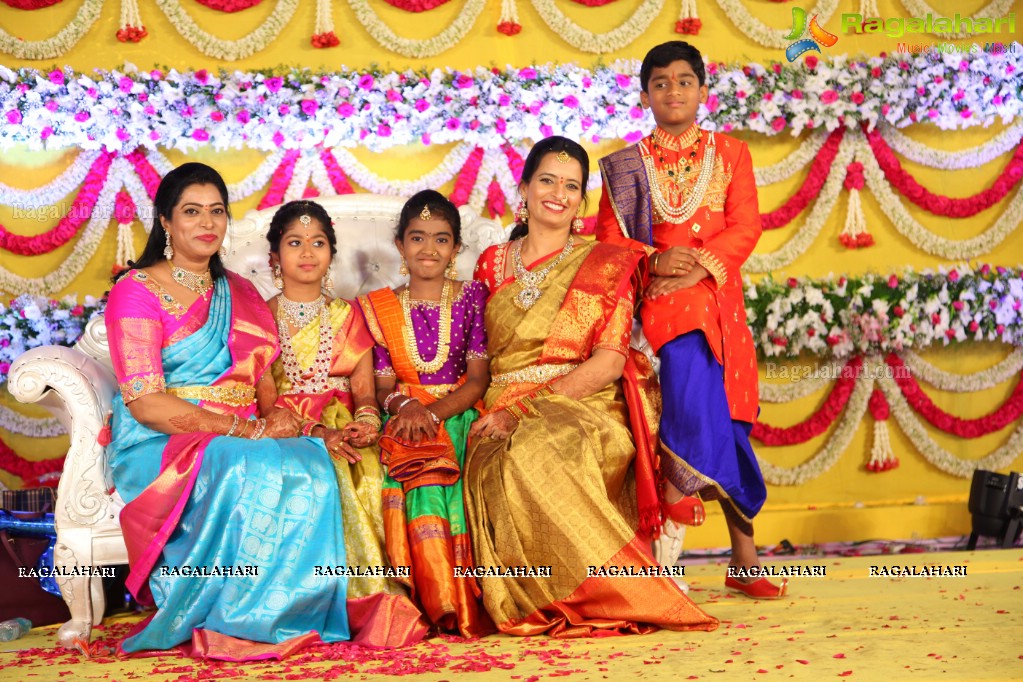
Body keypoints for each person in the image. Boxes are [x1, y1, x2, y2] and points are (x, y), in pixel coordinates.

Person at [464, 136, 718, 637]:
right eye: (547, 181)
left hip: (587, 402)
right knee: (494, 459)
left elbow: (608, 361)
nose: (558, 193)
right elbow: (477, 357)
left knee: (537, 449)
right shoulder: (491, 263)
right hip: (498, 402)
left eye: (571, 186)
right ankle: (539, 594)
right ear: (525, 188)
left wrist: (527, 409)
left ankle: (603, 593)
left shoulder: (606, 262)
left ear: (582, 202)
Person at [105, 164, 351, 658]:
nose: (207, 223)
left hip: (240, 430)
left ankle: (290, 610)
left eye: (216, 211)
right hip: (163, 437)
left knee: (308, 460)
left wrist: (293, 424)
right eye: (192, 212)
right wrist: (246, 430)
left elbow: (263, 383)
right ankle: (235, 615)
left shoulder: (238, 290)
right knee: (243, 462)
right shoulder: (137, 289)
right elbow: (147, 402)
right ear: (166, 221)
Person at [596, 41, 784, 599]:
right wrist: (654, 260)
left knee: (725, 412)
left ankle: (740, 554)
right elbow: (610, 240)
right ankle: (736, 551)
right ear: (644, 94)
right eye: (660, 82)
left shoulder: (731, 154)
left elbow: (745, 226)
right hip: (653, 296)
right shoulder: (624, 166)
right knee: (704, 393)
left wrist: (697, 266)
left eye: (684, 80)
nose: (672, 90)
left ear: (703, 90)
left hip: (717, 298)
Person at [266, 199, 427, 648]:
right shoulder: (260, 317)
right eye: (294, 242)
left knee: (373, 468)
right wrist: (316, 432)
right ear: (274, 257)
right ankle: (324, 599)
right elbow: (263, 401)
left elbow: (363, 387)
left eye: (318, 243)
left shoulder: (347, 313)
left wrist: (368, 420)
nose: (307, 252)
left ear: (331, 254)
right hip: (291, 425)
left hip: (345, 417)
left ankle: (381, 594)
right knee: (323, 471)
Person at [356, 190, 493, 638]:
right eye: (417, 238)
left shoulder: (474, 297)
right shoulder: (377, 307)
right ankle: (429, 602)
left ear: (455, 248)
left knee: (455, 475)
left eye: (441, 239)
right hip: (404, 414)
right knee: (413, 476)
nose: (428, 249)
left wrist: (431, 413)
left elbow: (477, 380)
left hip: (458, 410)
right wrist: (406, 406)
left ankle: (464, 602)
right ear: (400, 245)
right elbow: (381, 386)